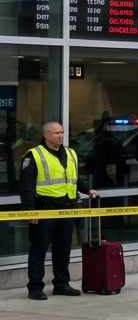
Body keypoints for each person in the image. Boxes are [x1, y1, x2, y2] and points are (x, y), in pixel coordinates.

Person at [20, 122, 98, 300]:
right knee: (39, 250)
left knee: (63, 250)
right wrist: (30, 211)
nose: (61, 136)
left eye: (62, 132)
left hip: (66, 210)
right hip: (44, 210)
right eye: (56, 133)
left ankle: (62, 284)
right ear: (46, 135)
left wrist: (87, 190)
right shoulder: (34, 155)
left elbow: (73, 179)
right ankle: (35, 287)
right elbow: (26, 186)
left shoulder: (70, 153)